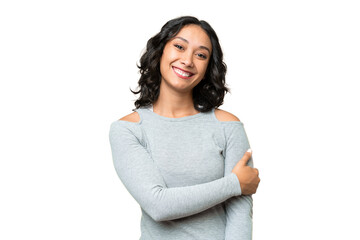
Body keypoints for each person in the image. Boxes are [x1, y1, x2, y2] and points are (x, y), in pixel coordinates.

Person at [109, 16, 260, 240]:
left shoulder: (228, 126)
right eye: (179, 46)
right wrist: (235, 184)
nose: (188, 60)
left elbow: (240, 216)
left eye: (201, 55)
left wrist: (238, 187)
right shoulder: (128, 130)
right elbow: (158, 205)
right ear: (160, 51)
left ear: (208, 67)